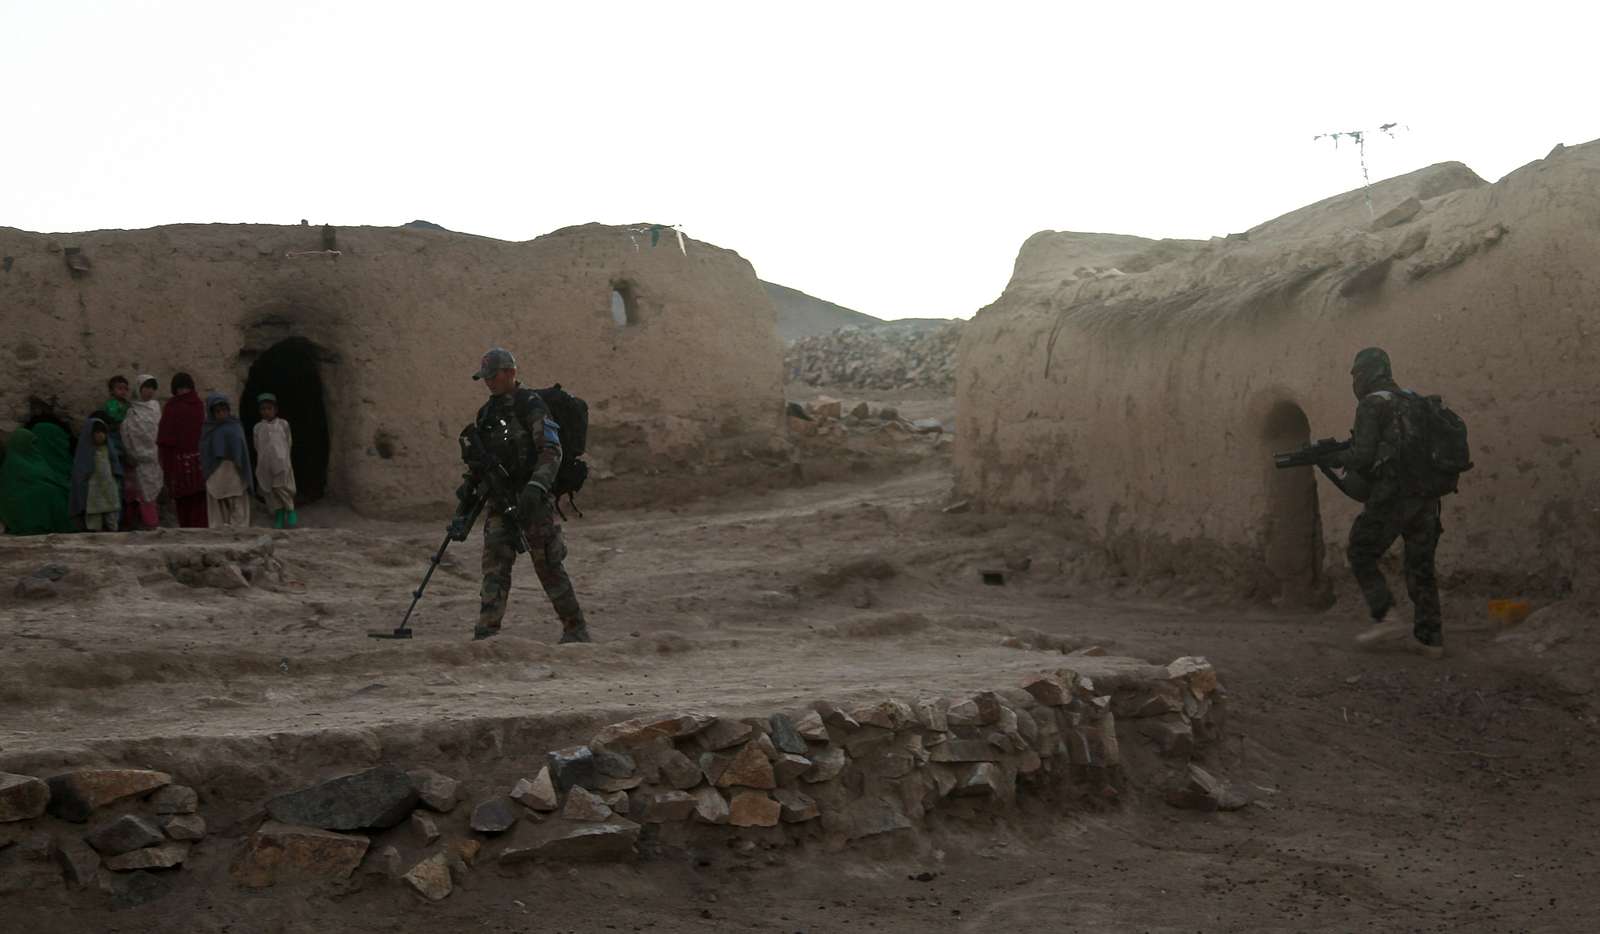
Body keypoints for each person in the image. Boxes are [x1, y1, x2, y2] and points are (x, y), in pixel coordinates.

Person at [461, 347, 590, 643]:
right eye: (486, 378)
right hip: (499, 501)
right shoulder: (487, 414)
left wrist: (536, 487)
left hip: (532, 499)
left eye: (494, 376)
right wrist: (469, 492)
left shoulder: (531, 405)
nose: (489, 383)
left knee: (548, 564)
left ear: (511, 373)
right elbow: (481, 462)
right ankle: (487, 631)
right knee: (494, 565)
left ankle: (575, 628)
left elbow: (551, 451)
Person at [1331, 347, 1446, 659]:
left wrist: (1332, 457)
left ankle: (1386, 618)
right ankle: (1430, 639)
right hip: (1427, 497)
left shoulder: (1373, 404)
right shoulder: (1416, 401)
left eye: (1356, 373)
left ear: (1369, 372)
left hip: (1393, 496)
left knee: (1360, 550)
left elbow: (1363, 455)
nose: (1355, 379)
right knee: (1420, 565)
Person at [0, 426, 74, 535]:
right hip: (17, 500)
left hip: (31, 495)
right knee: (50, 493)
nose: (35, 446)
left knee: (53, 492)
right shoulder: (14, 462)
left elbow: (45, 477)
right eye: (32, 443)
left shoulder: (34, 457)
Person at [158, 372, 208, 528]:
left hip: (178, 463)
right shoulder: (199, 405)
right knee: (199, 502)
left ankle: (189, 532)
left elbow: (165, 440)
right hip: (198, 463)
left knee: (184, 503)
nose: (183, 392)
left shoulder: (172, 407)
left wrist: (166, 468)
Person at [201, 392, 253, 528]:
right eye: (217, 411)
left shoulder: (235, 426)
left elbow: (241, 451)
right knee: (218, 505)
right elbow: (206, 453)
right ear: (212, 412)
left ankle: (239, 531)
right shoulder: (208, 429)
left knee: (237, 503)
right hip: (216, 473)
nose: (221, 414)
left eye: (224, 410)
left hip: (233, 471)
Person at [121, 375, 164, 530]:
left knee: (152, 492)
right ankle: (146, 524)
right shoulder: (132, 412)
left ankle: (150, 524)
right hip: (139, 459)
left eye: (153, 388)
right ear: (139, 389)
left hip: (155, 458)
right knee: (140, 494)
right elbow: (128, 433)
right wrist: (133, 453)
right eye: (146, 387)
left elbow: (159, 431)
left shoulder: (156, 407)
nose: (150, 391)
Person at [253, 393, 298, 529]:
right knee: (271, 492)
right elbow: (257, 446)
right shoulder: (257, 427)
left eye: (269, 408)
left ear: (275, 409)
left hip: (282, 463)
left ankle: (290, 510)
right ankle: (279, 515)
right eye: (263, 409)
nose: (266, 411)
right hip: (265, 465)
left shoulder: (283, 424)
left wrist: (284, 458)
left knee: (283, 488)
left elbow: (288, 442)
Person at [70, 415, 123, 532]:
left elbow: (116, 466)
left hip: (109, 488)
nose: (100, 435)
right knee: (94, 519)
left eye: (103, 432)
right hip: (93, 492)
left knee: (112, 516)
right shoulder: (85, 452)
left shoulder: (109, 449)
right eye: (97, 432)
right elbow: (80, 473)